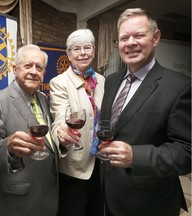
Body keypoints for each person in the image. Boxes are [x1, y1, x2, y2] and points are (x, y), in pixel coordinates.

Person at [98, 8, 191, 216]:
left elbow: (186, 153)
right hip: (109, 195)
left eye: (139, 35)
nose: (130, 43)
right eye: (124, 38)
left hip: (149, 202)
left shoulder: (180, 86)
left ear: (156, 37)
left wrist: (135, 156)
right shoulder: (111, 81)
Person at [0, 44, 58, 216]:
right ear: (15, 69)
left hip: (46, 193)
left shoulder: (43, 99)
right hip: (17, 200)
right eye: (27, 65)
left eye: (39, 67)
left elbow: (48, 144)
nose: (34, 71)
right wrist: (9, 148)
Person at [49, 29, 105, 216]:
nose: (83, 53)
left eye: (87, 47)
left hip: (101, 162)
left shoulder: (103, 81)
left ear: (94, 51)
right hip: (75, 167)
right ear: (68, 54)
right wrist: (62, 135)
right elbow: (59, 118)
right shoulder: (59, 82)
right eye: (76, 49)